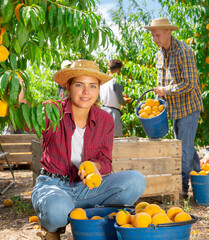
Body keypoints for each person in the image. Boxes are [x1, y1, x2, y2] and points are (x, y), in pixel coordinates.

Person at [31, 60, 146, 239]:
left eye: (92, 86)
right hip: (54, 184)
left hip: (88, 188)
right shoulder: (52, 110)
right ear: (68, 87)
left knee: (136, 180)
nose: (86, 92)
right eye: (80, 85)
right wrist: (18, 101)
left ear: (98, 89)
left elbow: (106, 160)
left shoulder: (105, 119)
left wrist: (94, 166)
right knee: (57, 211)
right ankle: (52, 229)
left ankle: (91, 216)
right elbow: (26, 122)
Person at [144, 18, 203, 199]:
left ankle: (182, 189)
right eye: (153, 35)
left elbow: (190, 84)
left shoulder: (184, 52)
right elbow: (160, 83)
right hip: (174, 108)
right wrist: (158, 101)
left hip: (188, 107)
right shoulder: (160, 54)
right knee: (186, 146)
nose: (155, 39)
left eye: (158, 35)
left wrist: (165, 91)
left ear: (169, 32)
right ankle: (201, 182)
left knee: (182, 149)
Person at [99, 59, 129, 137]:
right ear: (119, 70)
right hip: (113, 113)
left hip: (103, 111)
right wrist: (126, 101)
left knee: (104, 138)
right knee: (114, 140)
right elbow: (120, 100)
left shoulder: (103, 82)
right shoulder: (116, 81)